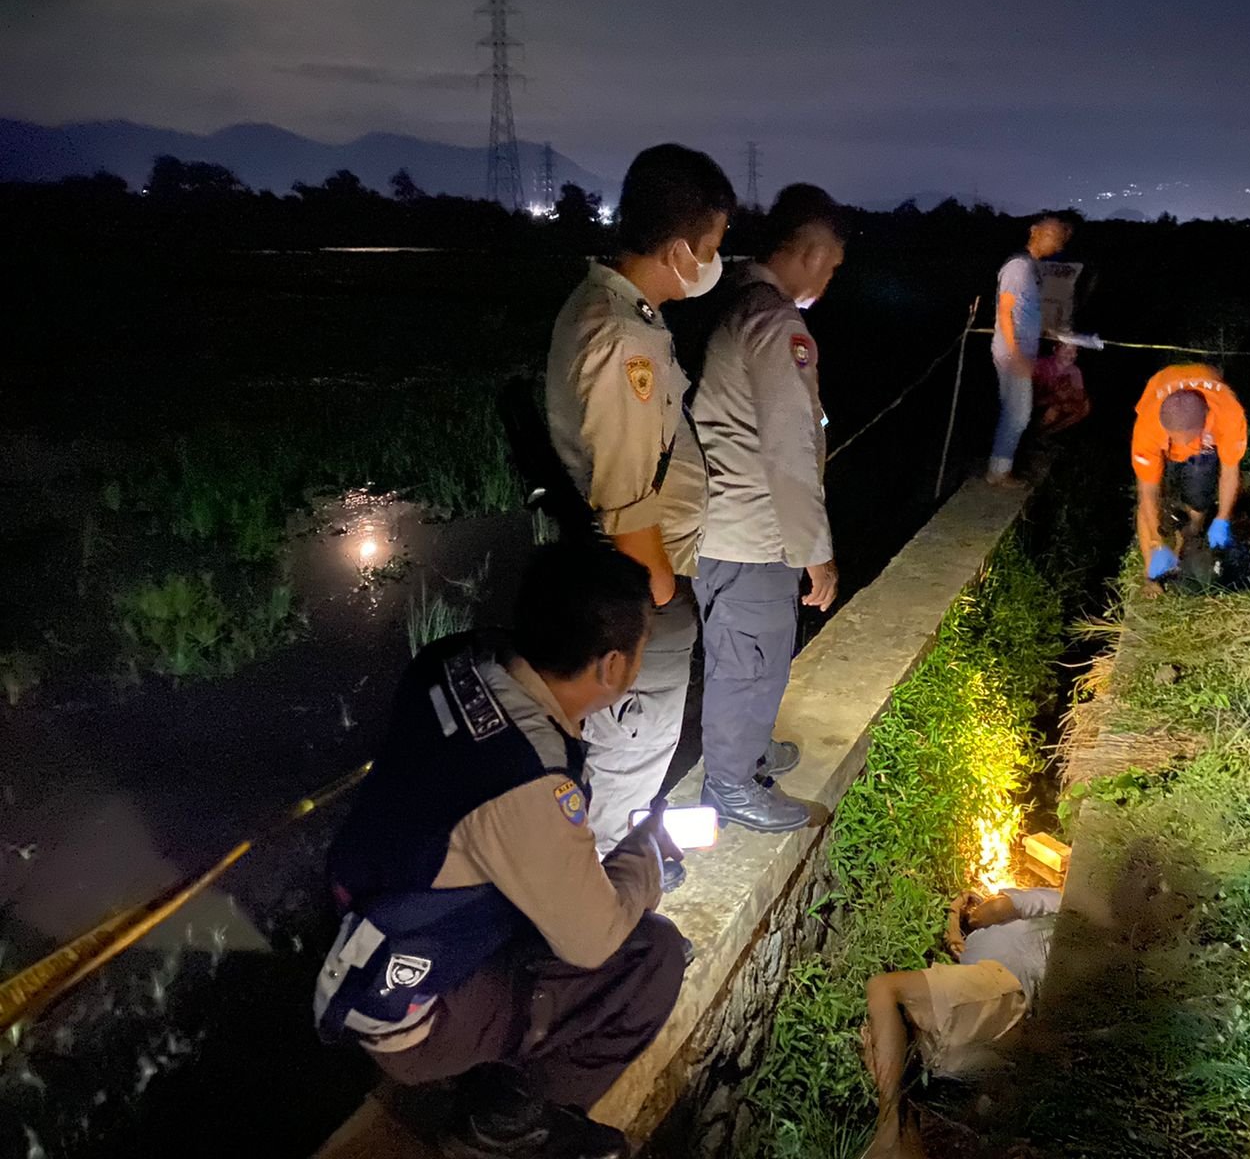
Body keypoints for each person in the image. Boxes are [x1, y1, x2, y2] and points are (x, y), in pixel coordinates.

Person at [313, 543, 687, 1159]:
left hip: (369, 919)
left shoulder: (451, 659)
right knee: (653, 958)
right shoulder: (526, 780)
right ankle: (507, 1124)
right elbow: (594, 941)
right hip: (410, 1014)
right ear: (614, 666)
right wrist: (648, 853)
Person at [545, 143, 737, 874]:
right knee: (628, 746)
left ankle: (622, 851)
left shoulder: (614, 308)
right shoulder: (623, 337)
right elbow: (629, 510)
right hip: (635, 591)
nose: (717, 261)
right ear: (683, 246)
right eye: (714, 245)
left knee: (626, 748)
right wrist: (661, 604)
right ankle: (596, 903)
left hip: (627, 582)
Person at [689, 184, 849, 833]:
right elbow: (789, 450)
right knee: (747, 663)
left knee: (754, 654)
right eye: (832, 265)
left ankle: (748, 752)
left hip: (727, 523)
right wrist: (819, 553)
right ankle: (730, 784)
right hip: (749, 531)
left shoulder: (735, 303)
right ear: (808, 252)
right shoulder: (778, 325)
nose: (831, 278)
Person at [861, 886, 1063, 1159]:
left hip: (1001, 985)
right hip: (987, 999)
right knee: (891, 1048)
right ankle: (906, 1144)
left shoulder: (1057, 898)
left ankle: (888, 1128)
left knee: (883, 989)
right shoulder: (986, 945)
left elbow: (995, 911)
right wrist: (953, 916)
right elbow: (956, 944)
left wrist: (971, 906)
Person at [1131, 363, 1249, 597]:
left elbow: (1229, 471)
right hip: (1163, 398)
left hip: (1204, 440)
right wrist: (1156, 539)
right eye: (1176, 440)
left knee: (1199, 485)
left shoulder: (1228, 413)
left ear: (1206, 419)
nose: (1182, 447)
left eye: (1187, 440)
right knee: (1152, 506)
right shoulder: (1148, 426)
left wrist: (1223, 518)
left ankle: (1189, 536)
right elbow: (1147, 490)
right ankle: (1151, 577)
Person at [987, 214, 1074, 488]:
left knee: (1013, 410)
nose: (1057, 244)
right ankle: (998, 471)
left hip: (1020, 351)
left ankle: (1000, 466)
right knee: (1019, 412)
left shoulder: (1032, 268)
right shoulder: (1019, 267)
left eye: (1061, 239)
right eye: (1054, 236)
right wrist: (1016, 355)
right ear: (1034, 232)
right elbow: (1004, 311)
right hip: (1013, 353)